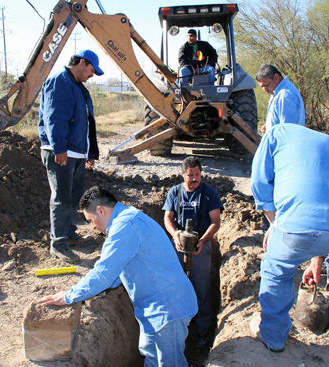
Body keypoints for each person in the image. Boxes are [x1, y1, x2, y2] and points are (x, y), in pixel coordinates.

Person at [37, 186, 198, 367]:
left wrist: (69, 296)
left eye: (90, 220)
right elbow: (113, 275)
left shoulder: (125, 226)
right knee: (153, 359)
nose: (93, 227)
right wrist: (83, 293)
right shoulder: (129, 218)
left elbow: (104, 273)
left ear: (100, 210)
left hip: (168, 310)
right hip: (157, 310)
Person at [250, 124, 329, 352]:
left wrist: (274, 223)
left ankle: (273, 336)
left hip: (303, 223)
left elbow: (259, 182)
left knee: (277, 265)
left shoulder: (275, 133)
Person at [38, 50, 103, 265]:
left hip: (75, 153)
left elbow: (87, 123)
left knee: (73, 198)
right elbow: (54, 118)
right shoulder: (59, 82)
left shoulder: (80, 89)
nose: (92, 75)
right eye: (92, 70)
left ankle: (69, 234)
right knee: (61, 198)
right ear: (83, 63)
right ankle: (58, 244)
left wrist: (89, 153)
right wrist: (58, 148)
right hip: (60, 151)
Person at [162, 157, 223, 348]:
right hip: (179, 249)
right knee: (175, 289)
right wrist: (175, 234)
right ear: (183, 174)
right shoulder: (175, 192)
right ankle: (176, 332)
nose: (195, 178)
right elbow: (168, 217)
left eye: (197, 174)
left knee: (202, 291)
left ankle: (203, 333)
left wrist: (202, 241)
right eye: (190, 175)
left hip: (200, 250)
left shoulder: (209, 194)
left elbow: (215, 221)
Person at [255, 64, 305, 135]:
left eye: (266, 84)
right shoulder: (275, 93)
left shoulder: (285, 96)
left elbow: (287, 130)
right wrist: (269, 127)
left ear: (276, 77)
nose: (265, 89)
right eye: (262, 87)